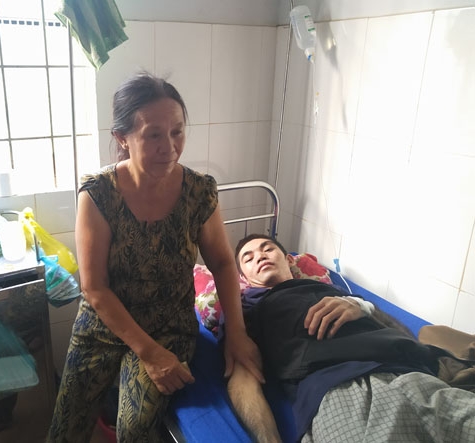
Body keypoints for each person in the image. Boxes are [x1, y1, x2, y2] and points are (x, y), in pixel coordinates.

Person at [47, 72, 262, 442]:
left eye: (177, 132)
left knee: (135, 429)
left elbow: (224, 263)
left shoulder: (199, 192)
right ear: (122, 138)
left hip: (168, 327)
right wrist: (149, 354)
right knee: (65, 431)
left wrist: (236, 333)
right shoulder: (99, 194)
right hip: (103, 326)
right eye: (154, 135)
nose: (170, 147)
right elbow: (94, 287)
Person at [226, 233, 475, 443]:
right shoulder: (246, 313)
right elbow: (243, 378)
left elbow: (404, 334)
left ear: (289, 260)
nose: (260, 256)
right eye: (248, 258)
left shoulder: (334, 290)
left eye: (267, 248)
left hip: (413, 374)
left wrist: (363, 307)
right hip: (343, 392)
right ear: (243, 278)